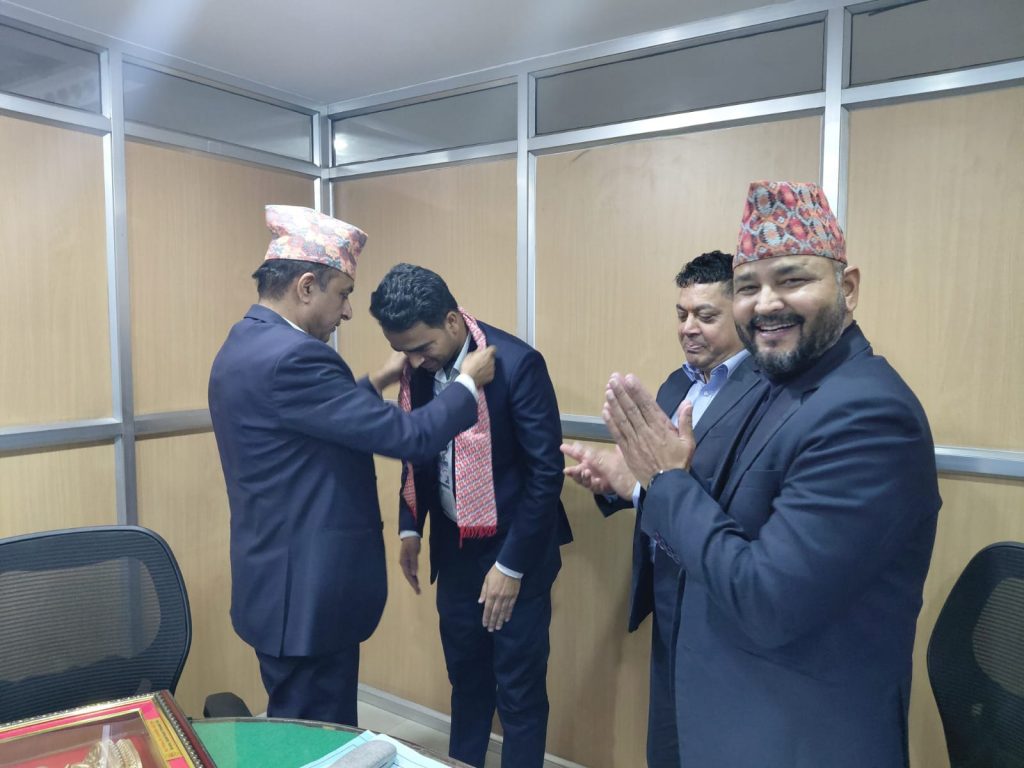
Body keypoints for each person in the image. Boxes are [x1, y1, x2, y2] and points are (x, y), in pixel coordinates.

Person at [603, 181, 941, 768]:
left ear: (848, 287)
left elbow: (768, 600)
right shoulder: (774, 382)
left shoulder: (868, 413)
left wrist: (665, 480)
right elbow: (718, 514)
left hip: (799, 736)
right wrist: (644, 477)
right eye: (747, 287)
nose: (764, 305)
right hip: (729, 713)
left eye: (791, 280)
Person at [208, 206, 495, 727]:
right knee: (318, 739)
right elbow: (411, 437)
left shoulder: (243, 342)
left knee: (299, 726)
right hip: (308, 598)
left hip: (276, 584)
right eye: (343, 294)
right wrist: (467, 383)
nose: (347, 312)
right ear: (306, 286)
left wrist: (375, 382)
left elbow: (302, 422)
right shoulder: (297, 358)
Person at [560, 251, 762, 768]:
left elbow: (731, 502)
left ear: (741, 313)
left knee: (713, 744)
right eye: (681, 313)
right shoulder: (677, 384)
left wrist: (639, 487)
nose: (688, 327)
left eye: (705, 315)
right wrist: (615, 481)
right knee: (668, 745)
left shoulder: (767, 393)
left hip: (720, 599)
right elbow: (653, 478)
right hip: (669, 589)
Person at [368, 263, 572, 768]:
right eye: (404, 352)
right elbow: (419, 447)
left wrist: (511, 567)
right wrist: (411, 526)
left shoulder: (518, 364)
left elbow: (545, 475)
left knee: (519, 692)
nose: (414, 361)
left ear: (453, 321)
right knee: (467, 683)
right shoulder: (418, 369)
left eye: (422, 347)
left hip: (516, 552)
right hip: (455, 551)